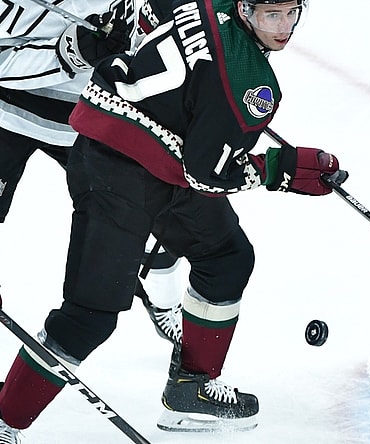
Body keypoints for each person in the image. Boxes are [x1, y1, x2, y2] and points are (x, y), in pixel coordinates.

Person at [0, 0, 344, 441]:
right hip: (115, 171)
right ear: (243, 9)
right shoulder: (252, 83)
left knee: (227, 255)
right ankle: (6, 418)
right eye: (269, 15)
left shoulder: (201, 5)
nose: (283, 27)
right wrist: (279, 169)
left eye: (290, 12)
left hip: (137, 149)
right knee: (90, 315)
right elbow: (208, 172)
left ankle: (190, 390)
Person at [0, 0, 185, 345]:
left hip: (97, 113)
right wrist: (66, 54)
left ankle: (165, 303)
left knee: (153, 210)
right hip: (7, 111)